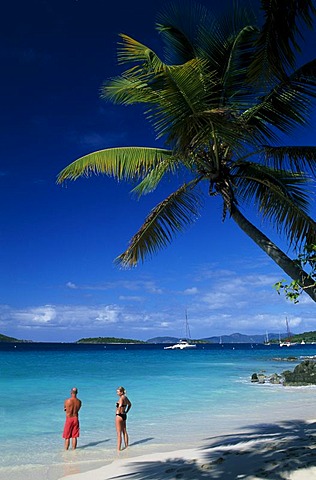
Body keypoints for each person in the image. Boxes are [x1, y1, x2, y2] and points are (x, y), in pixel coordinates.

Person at [115, 386, 132, 451]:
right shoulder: (126, 398)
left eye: (118, 392)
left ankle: (118, 449)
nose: (117, 393)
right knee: (124, 431)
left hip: (119, 415)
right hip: (124, 415)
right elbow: (130, 404)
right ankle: (127, 446)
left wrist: (118, 411)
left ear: (121, 392)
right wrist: (126, 411)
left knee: (119, 433)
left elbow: (120, 405)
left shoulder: (121, 398)